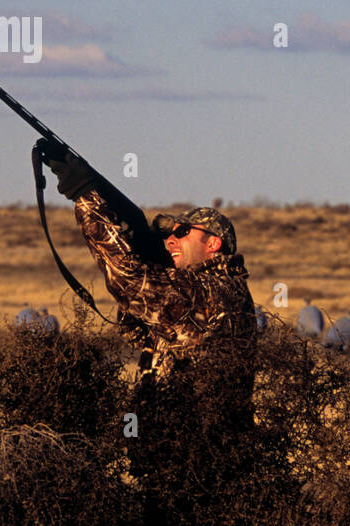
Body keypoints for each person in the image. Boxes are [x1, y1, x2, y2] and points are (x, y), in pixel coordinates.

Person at [43, 151, 258, 384]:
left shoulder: (211, 289)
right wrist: (142, 251)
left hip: (186, 421)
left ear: (214, 243)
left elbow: (130, 281)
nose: (171, 240)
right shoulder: (227, 289)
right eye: (168, 235)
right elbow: (134, 329)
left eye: (183, 232)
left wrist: (84, 193)